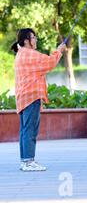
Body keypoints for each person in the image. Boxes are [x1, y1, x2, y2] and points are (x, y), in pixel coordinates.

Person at [11, 28, 66, 171]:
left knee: (25, 130)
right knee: (30, 131)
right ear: (26, 41)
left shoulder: (21, 54)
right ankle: (29, 162)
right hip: (31, 97)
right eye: (33, 37)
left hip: (23, 97)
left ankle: (25, 161)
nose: (36, 40)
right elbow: (49, 63)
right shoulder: (30, 55)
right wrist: (59, 50)